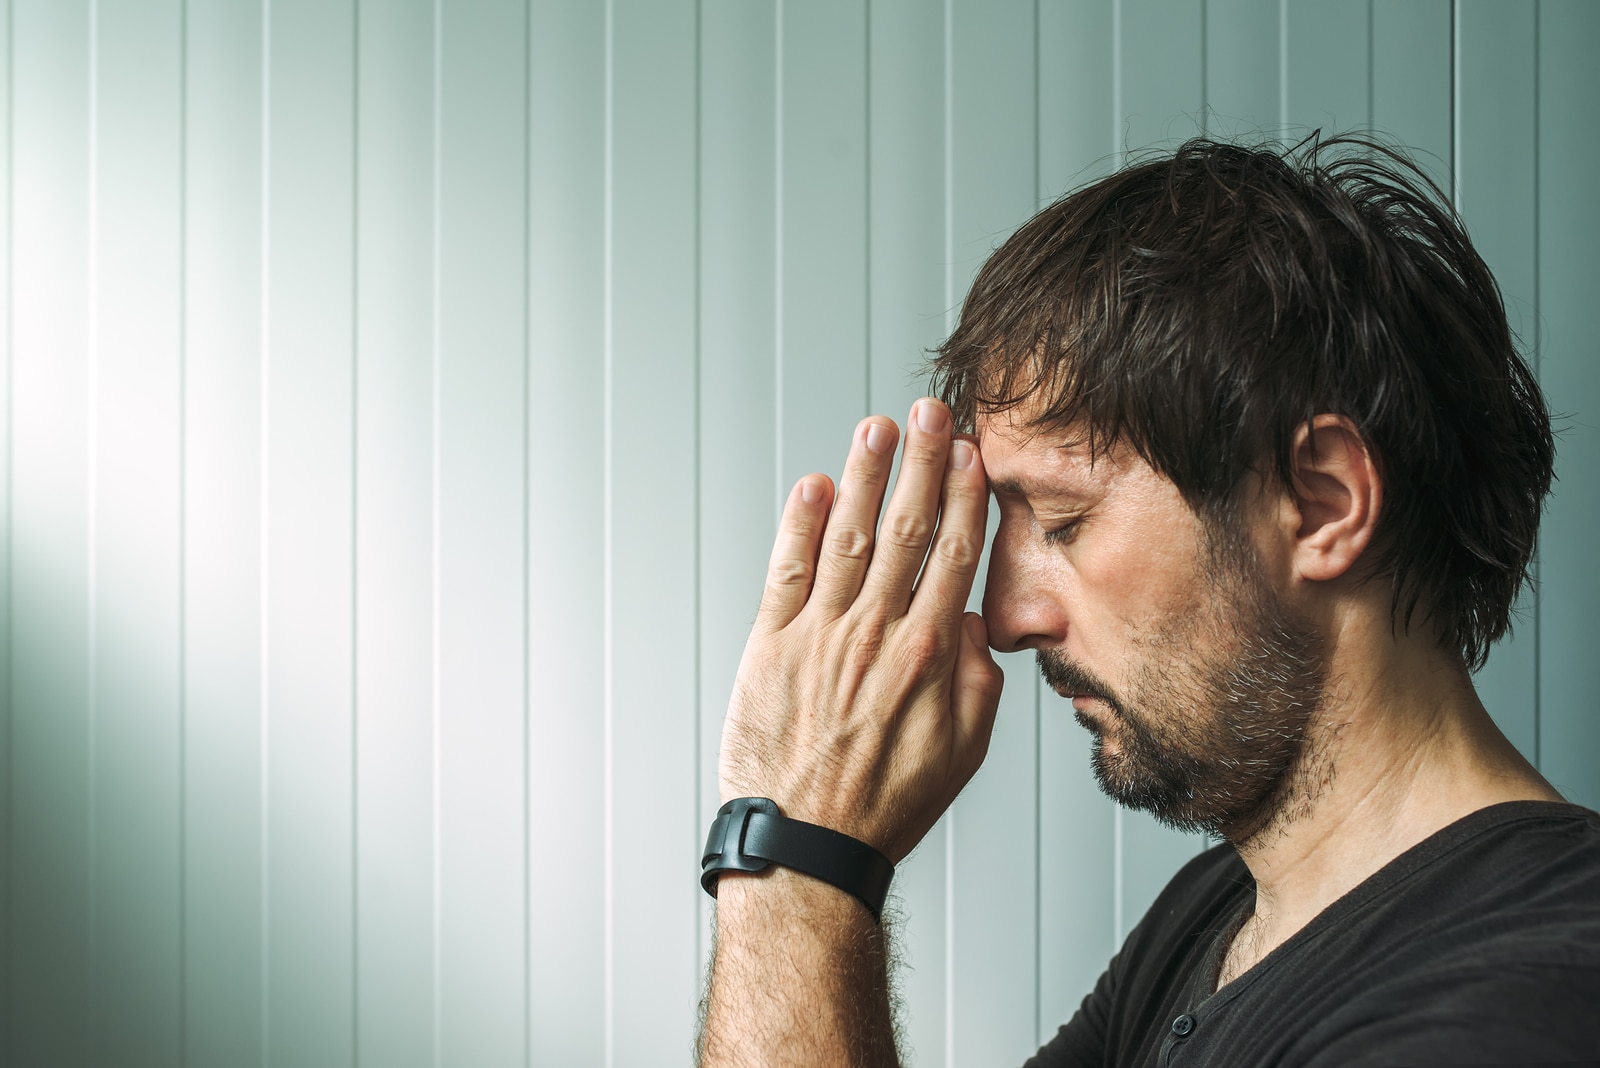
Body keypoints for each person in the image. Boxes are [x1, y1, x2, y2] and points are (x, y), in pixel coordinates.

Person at [694, 135, 1600, 1067]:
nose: (1007, 620)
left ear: (1322, 505)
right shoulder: (1216, 915)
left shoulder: (1521, 1000)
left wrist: (798, 860)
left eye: (1062, 520)